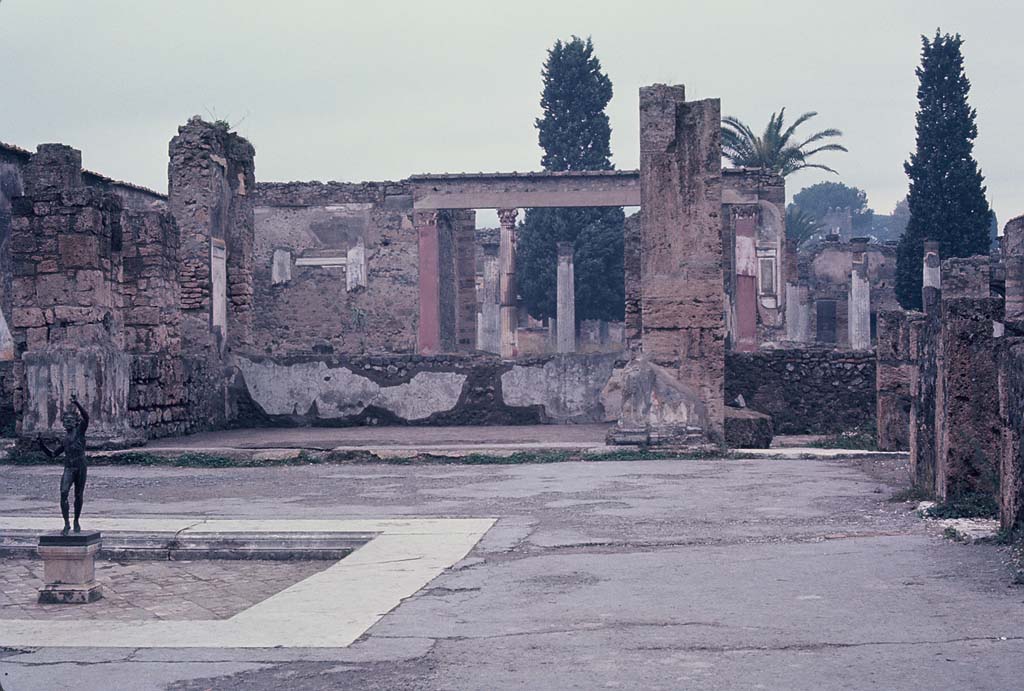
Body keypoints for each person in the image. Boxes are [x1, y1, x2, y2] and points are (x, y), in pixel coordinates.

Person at [38, 395, 90, 535]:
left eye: (70, 420)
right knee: (63, 493)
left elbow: (86, 417)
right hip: (69, 467)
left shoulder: (80, 432)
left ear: (75, 423)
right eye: (65, 420)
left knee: (78, 495)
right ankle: (66, 523)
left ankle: (76, 520)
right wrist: (42, 445)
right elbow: (53, 455)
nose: (67, 422)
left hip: (80, 466)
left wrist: (77, 403)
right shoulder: (65, 440)